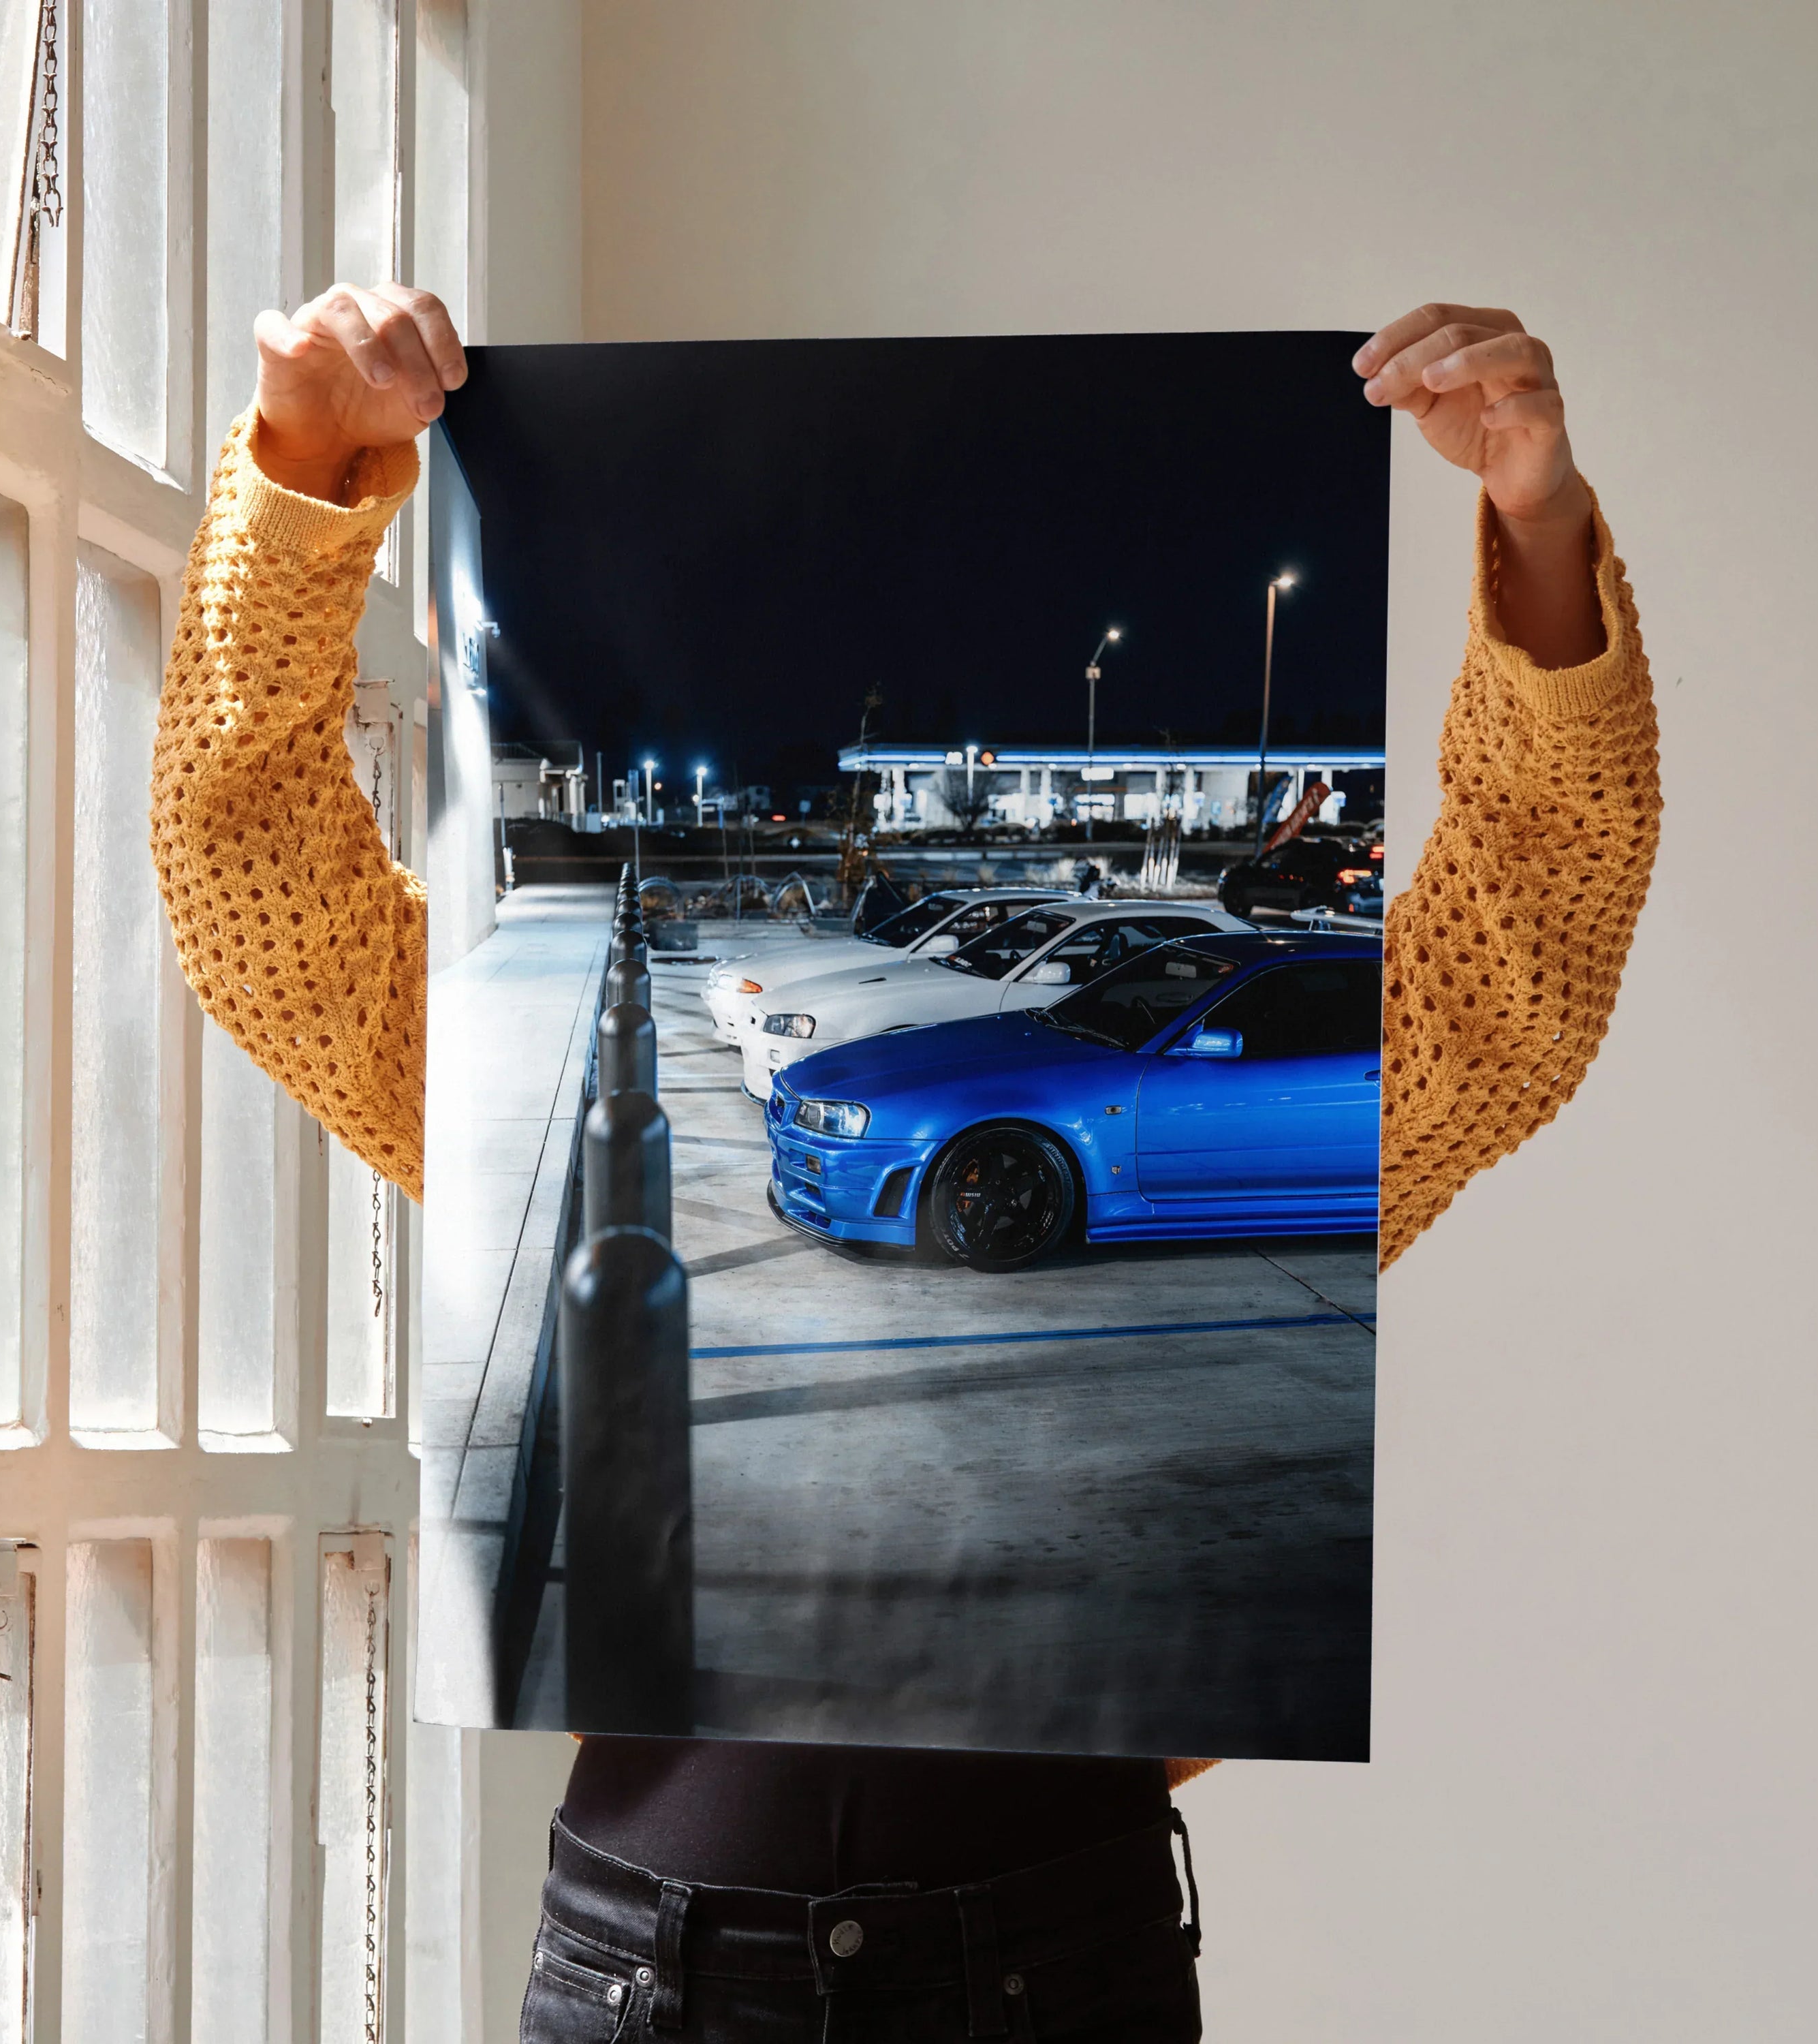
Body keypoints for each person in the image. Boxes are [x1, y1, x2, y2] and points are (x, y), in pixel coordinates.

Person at [152, 287, 1659, 2041]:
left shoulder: (1297, 1132)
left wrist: (1538, 526)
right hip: (669, 1969)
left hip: (1048, 1955)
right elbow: (253, 890)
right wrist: (301, 473)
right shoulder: (555, 1127)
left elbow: (1524, 955)